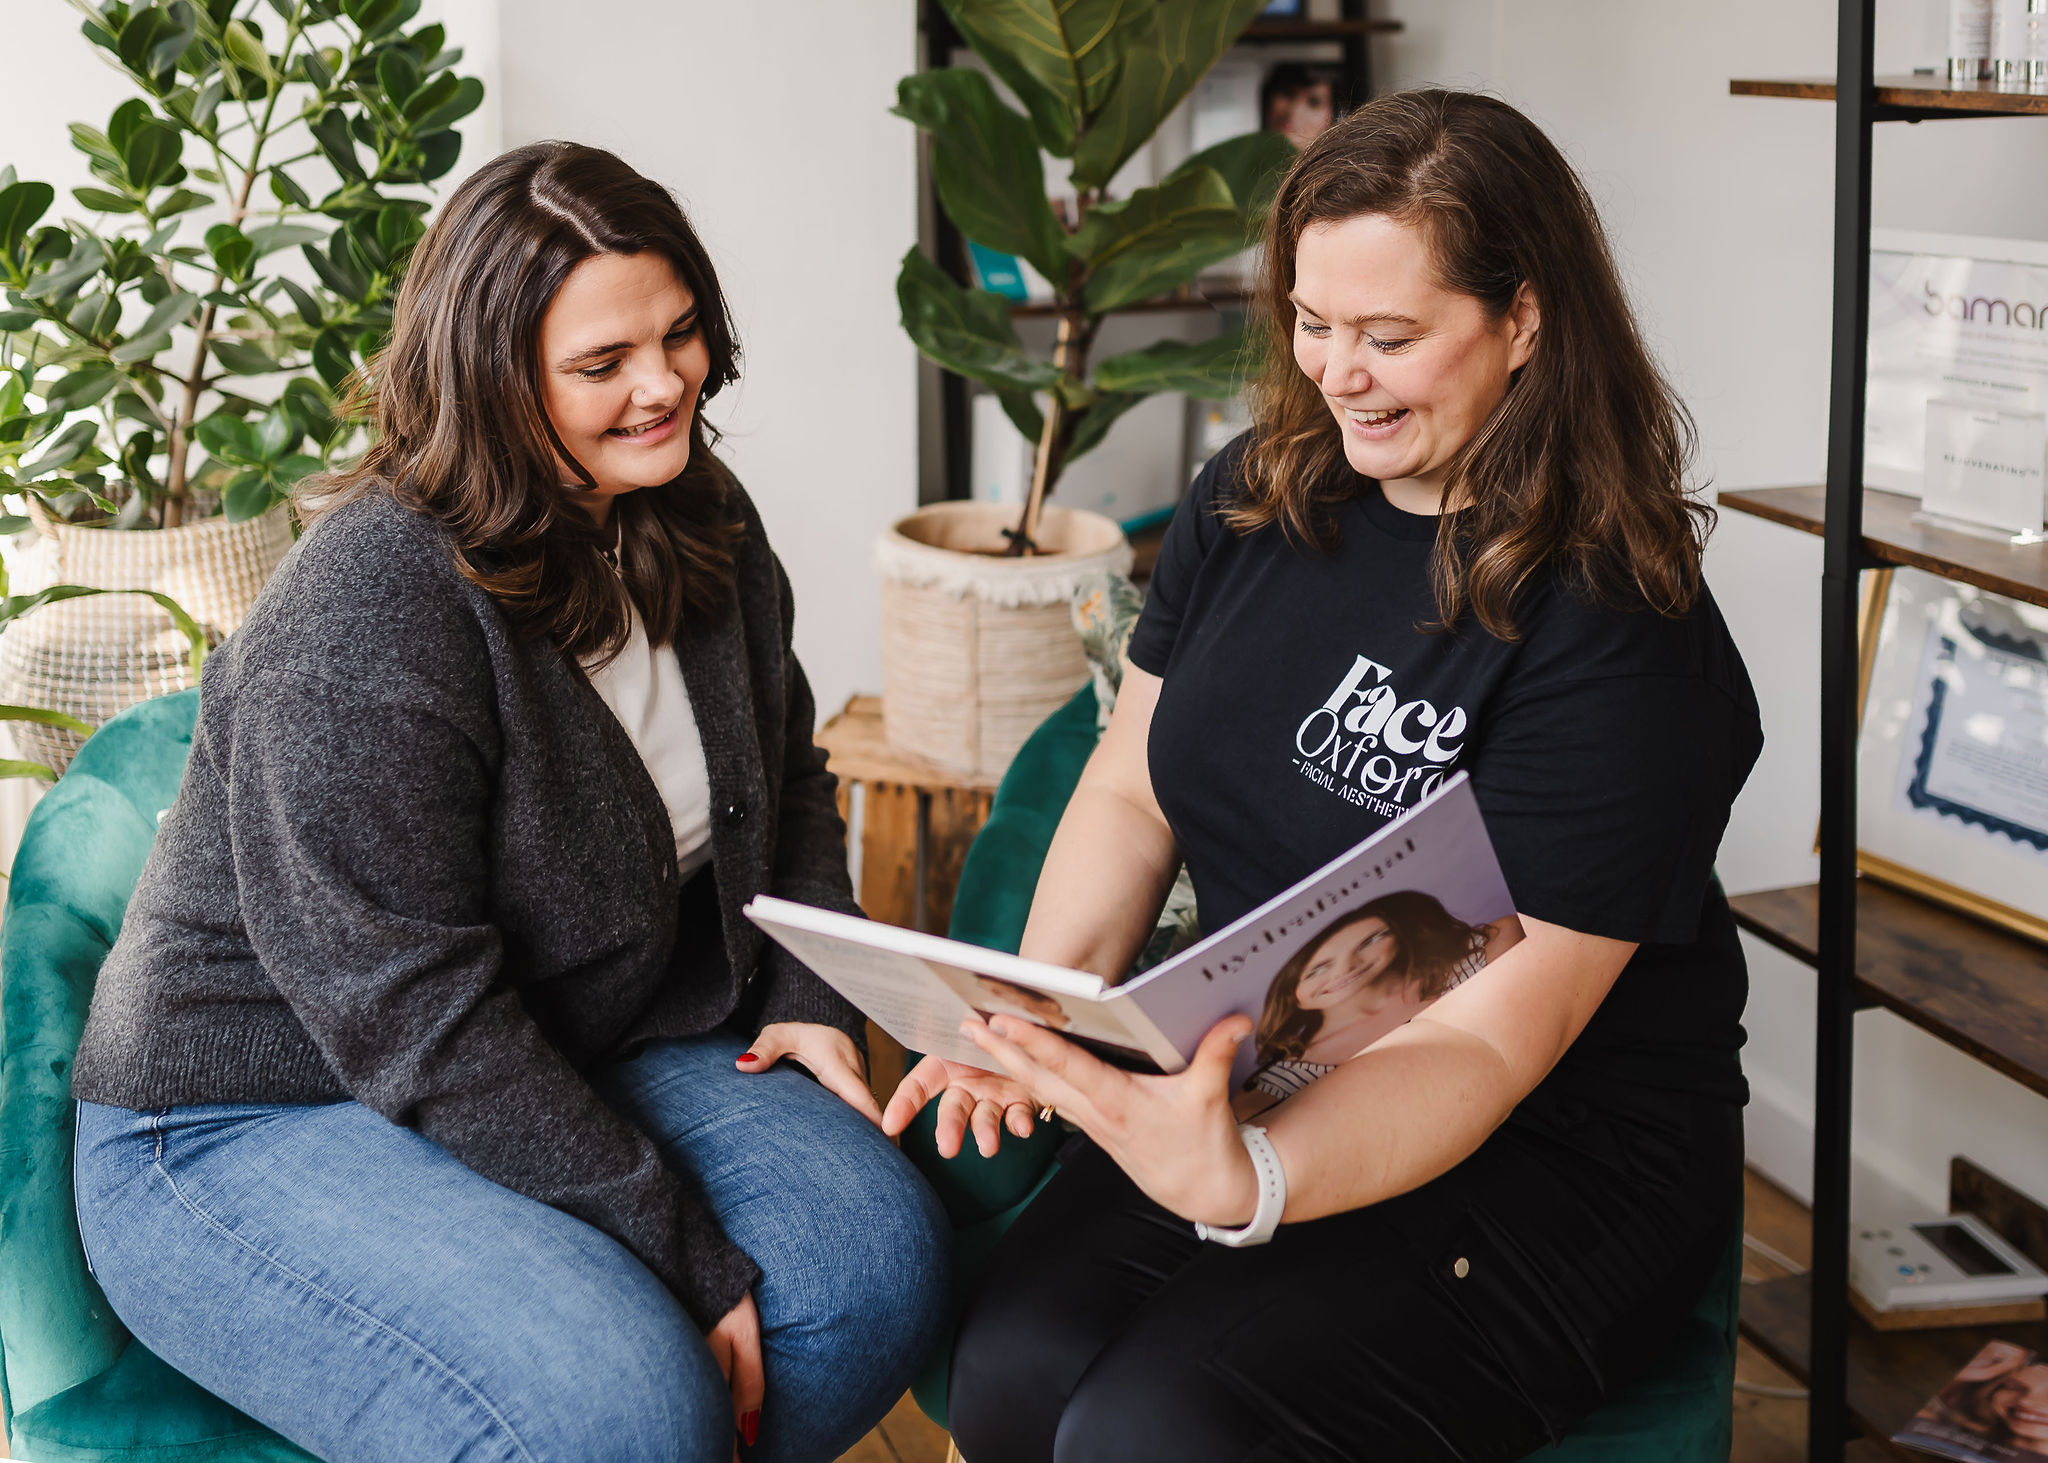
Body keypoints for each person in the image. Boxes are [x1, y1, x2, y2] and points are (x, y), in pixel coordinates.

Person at [884, 88, 1763, 1462]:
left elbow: (1482, 1039)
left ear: (1524, 317)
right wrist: (1033, 1010)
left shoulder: (1624, 631)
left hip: (1544, 1146)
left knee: (1154, 1426)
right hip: (1263, 1066)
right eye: (1312, 322)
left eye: (1391, 336)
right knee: (1009, 1365)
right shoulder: (1251, 497)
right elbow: (1129, 788)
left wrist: (1258, 1175)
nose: (1338, 371)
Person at [70, 142, 948, 1463]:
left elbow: (790, 774)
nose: (665, 385)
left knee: (870, 1268)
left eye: (682, 332)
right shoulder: (376, 602)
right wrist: (673, 1243)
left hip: (579, 1027)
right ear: (492, 380)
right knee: (618, 1405)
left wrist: (810, 991)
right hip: (260, 1105)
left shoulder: (689, 510)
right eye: (603, 365)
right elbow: (410, 1010)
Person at [1237, 892, 1522, 1114]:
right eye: (1317, 969)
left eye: (1369, 940)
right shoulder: (1276, 1084)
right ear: (1290, 993)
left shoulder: (1479, 952)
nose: (1347, 968)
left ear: (1398, 935)